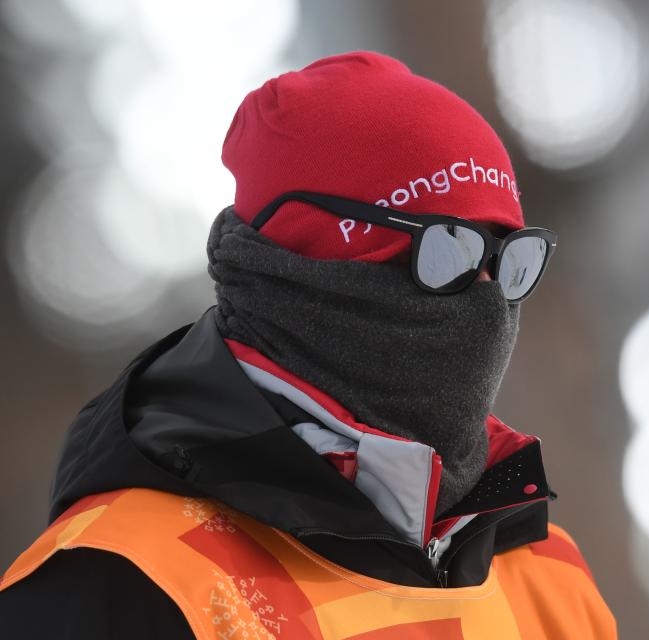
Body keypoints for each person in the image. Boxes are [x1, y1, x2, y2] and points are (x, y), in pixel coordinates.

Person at [0, 50, 616, 639]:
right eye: (449, 248)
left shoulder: (551, 578)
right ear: (304, 268)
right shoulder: (125, 585)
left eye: (511, 258)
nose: (487, 300)